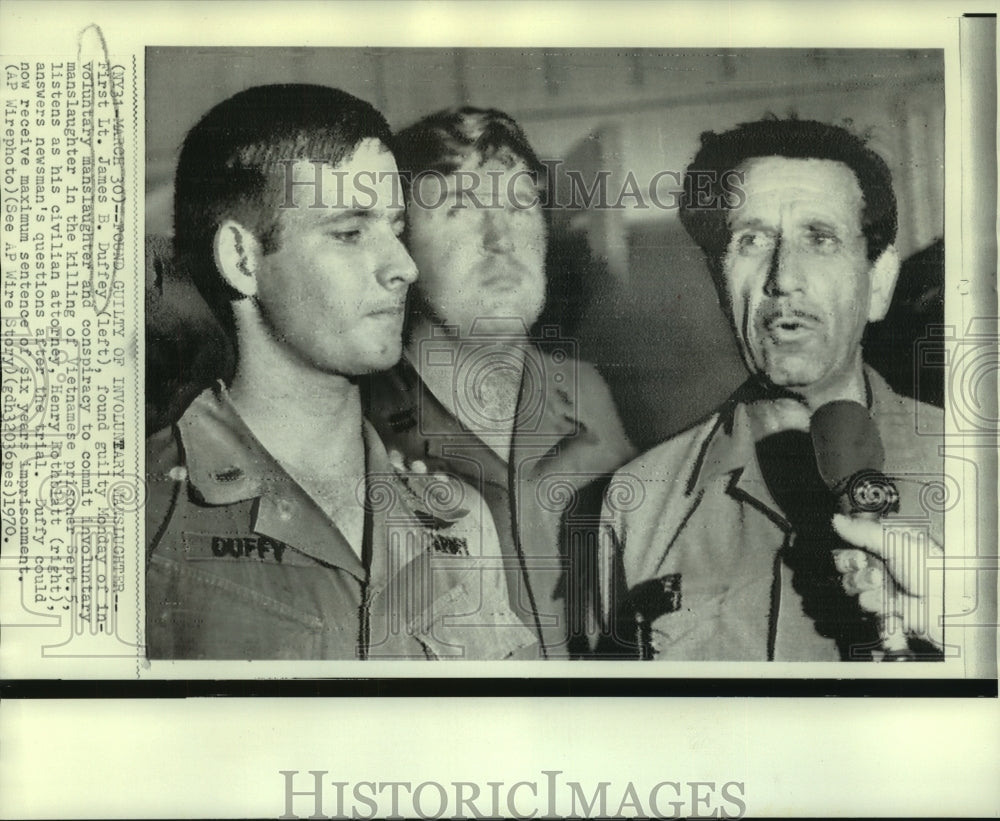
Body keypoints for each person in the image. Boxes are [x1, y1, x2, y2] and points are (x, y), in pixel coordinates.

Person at [145, 85, 537, 660]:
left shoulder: (454, 519)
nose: (403, 266)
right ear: (243, 259)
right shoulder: (132, 519)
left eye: (396, 229)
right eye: (350, 233)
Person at [598, 118, 945, 661]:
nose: (784, 277)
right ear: (718, 283)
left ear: (878, 283)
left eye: (821, 238)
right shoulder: (635, 505)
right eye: (752, 240)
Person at [363, 107, 635, 658]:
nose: (500, 238)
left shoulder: (589, 395)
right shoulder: (351, 425)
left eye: (518, 203)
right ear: (400, 243)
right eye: (459, 208)